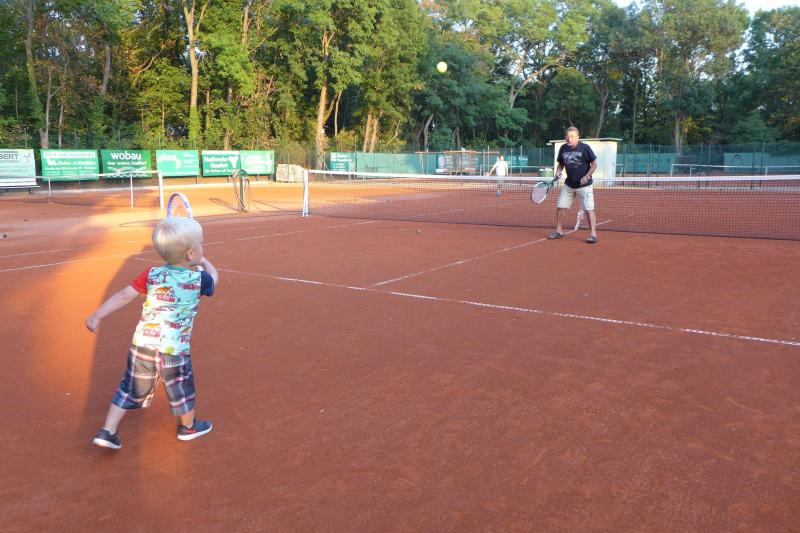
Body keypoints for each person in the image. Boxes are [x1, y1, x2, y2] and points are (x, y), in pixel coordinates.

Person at [86, 216, 218, 449]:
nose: (202, 248)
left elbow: (123, 296)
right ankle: (188, 427)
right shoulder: (199, 279)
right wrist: (205, 262)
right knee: (181, 389)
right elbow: (214, 279)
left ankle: (108, 431)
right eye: (201, 244)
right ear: (190, 253)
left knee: (129, 388)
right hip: (173, 350)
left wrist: (97, 315)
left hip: (143, 345)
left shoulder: (152, 274)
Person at [548, 126, 599, 243]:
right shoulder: (563, 148)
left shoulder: (585, 148)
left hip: (584, 185)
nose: (569, 139)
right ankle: (559, 231)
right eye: (567, 136)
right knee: (561, 207)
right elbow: (561, 164)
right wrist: (558, 172)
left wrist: (587, 176)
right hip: (569, 185)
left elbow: (594, 164)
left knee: (589, 209)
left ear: (577, 137)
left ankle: (593, 234)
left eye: (572, 136)